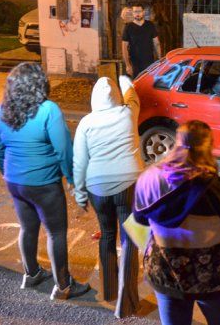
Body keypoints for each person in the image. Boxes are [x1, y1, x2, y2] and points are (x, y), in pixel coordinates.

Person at [133, 120, 220, 325]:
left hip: (167, 275)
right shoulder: (219, 191)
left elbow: (139, 220)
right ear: (208, 148)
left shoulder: (149, 178)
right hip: (214, 280)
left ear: (177, 142)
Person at [0, 62, 89, 300]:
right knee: (56, 233)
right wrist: (72, 179)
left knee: (27, 227)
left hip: (15, 182)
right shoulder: (48, 110)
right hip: (44, 183)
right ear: (39, 85)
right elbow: (64, 149)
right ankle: (63, 286)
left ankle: (31, 273)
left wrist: (8, 171)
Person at [73, 75, 142, 318]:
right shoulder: (128, 112)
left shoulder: (86, 122)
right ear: (116, 97)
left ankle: (109, 290)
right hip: (129, 184)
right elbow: (133, 93)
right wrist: (123, 79)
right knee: (131, 237)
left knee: (107, 235)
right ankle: (128, 299)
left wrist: (80, 193)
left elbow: (80, 161)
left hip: (98, 187)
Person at [122, 2, 162, 78]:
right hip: (135, 64)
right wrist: (127, 65)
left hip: (149, 63)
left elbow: (157, 43)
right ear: (132, 13)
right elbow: (124, 47)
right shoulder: (128, 28)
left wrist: (160, 59)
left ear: (143, 12)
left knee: (149, 84)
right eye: (135, 12)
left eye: (139, 11)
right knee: (137, 86)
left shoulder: (150, 25)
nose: (137, 14)